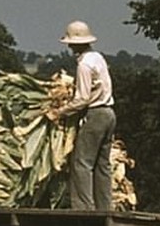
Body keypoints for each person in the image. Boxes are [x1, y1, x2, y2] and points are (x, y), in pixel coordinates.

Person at [49, 20, 116, 211]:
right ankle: (105, 207)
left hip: (95, 114)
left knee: (82, 163)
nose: (69, 46)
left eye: (71, 43)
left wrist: (59, 112)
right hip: (109, 113)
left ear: (77, 43)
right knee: (102, 164)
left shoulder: (84, 65)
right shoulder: (98, 58)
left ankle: (84, 208)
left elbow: (82, 99)